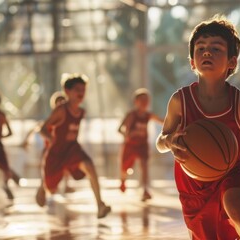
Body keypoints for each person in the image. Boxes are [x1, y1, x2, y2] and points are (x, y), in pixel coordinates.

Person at [156, 16, 240, 240]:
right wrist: (170, 141)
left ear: (232, 62)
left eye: (216, 48)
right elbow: (160, 141)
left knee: (235, 204)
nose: (206, 52)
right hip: (194, 179)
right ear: (192, 61)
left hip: (232, 168)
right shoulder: (179, 100)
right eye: (200, 48)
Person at [35, 74, 111, 219]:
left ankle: (100, 205)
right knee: (51, 189)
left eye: (83, 89)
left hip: (72, 149)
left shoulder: (81, 112)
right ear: (67, 91)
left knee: (90, 166)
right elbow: (43, 128)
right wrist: (51, 139)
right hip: (56, 153)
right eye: (77, 89)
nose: (81, 92)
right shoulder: (61, 110)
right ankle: (43, 186)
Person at [20, 91, 74, 194]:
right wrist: (26, 140)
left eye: (63, 102)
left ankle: (66, 185)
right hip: (49, 150)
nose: (60, 105)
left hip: (62, 150)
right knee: (46, 170)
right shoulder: (50, 119)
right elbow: (36, 127)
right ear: (54, 105)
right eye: (58, 103)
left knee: (66, 166)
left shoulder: (67, 120)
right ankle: (43, 187)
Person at [118, 88, 163, 201]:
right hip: (130, 145)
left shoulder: (148, 115)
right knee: (125, 167)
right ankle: (123, 181)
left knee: (144, 166)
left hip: (142, 145)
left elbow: (162, 121)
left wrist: (176, 119)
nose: (145, 102)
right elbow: (120, 129)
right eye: (142, 100)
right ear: (136, 102)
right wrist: (127, 135)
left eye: (147, 100)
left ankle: (145, 190)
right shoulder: (131, 115)